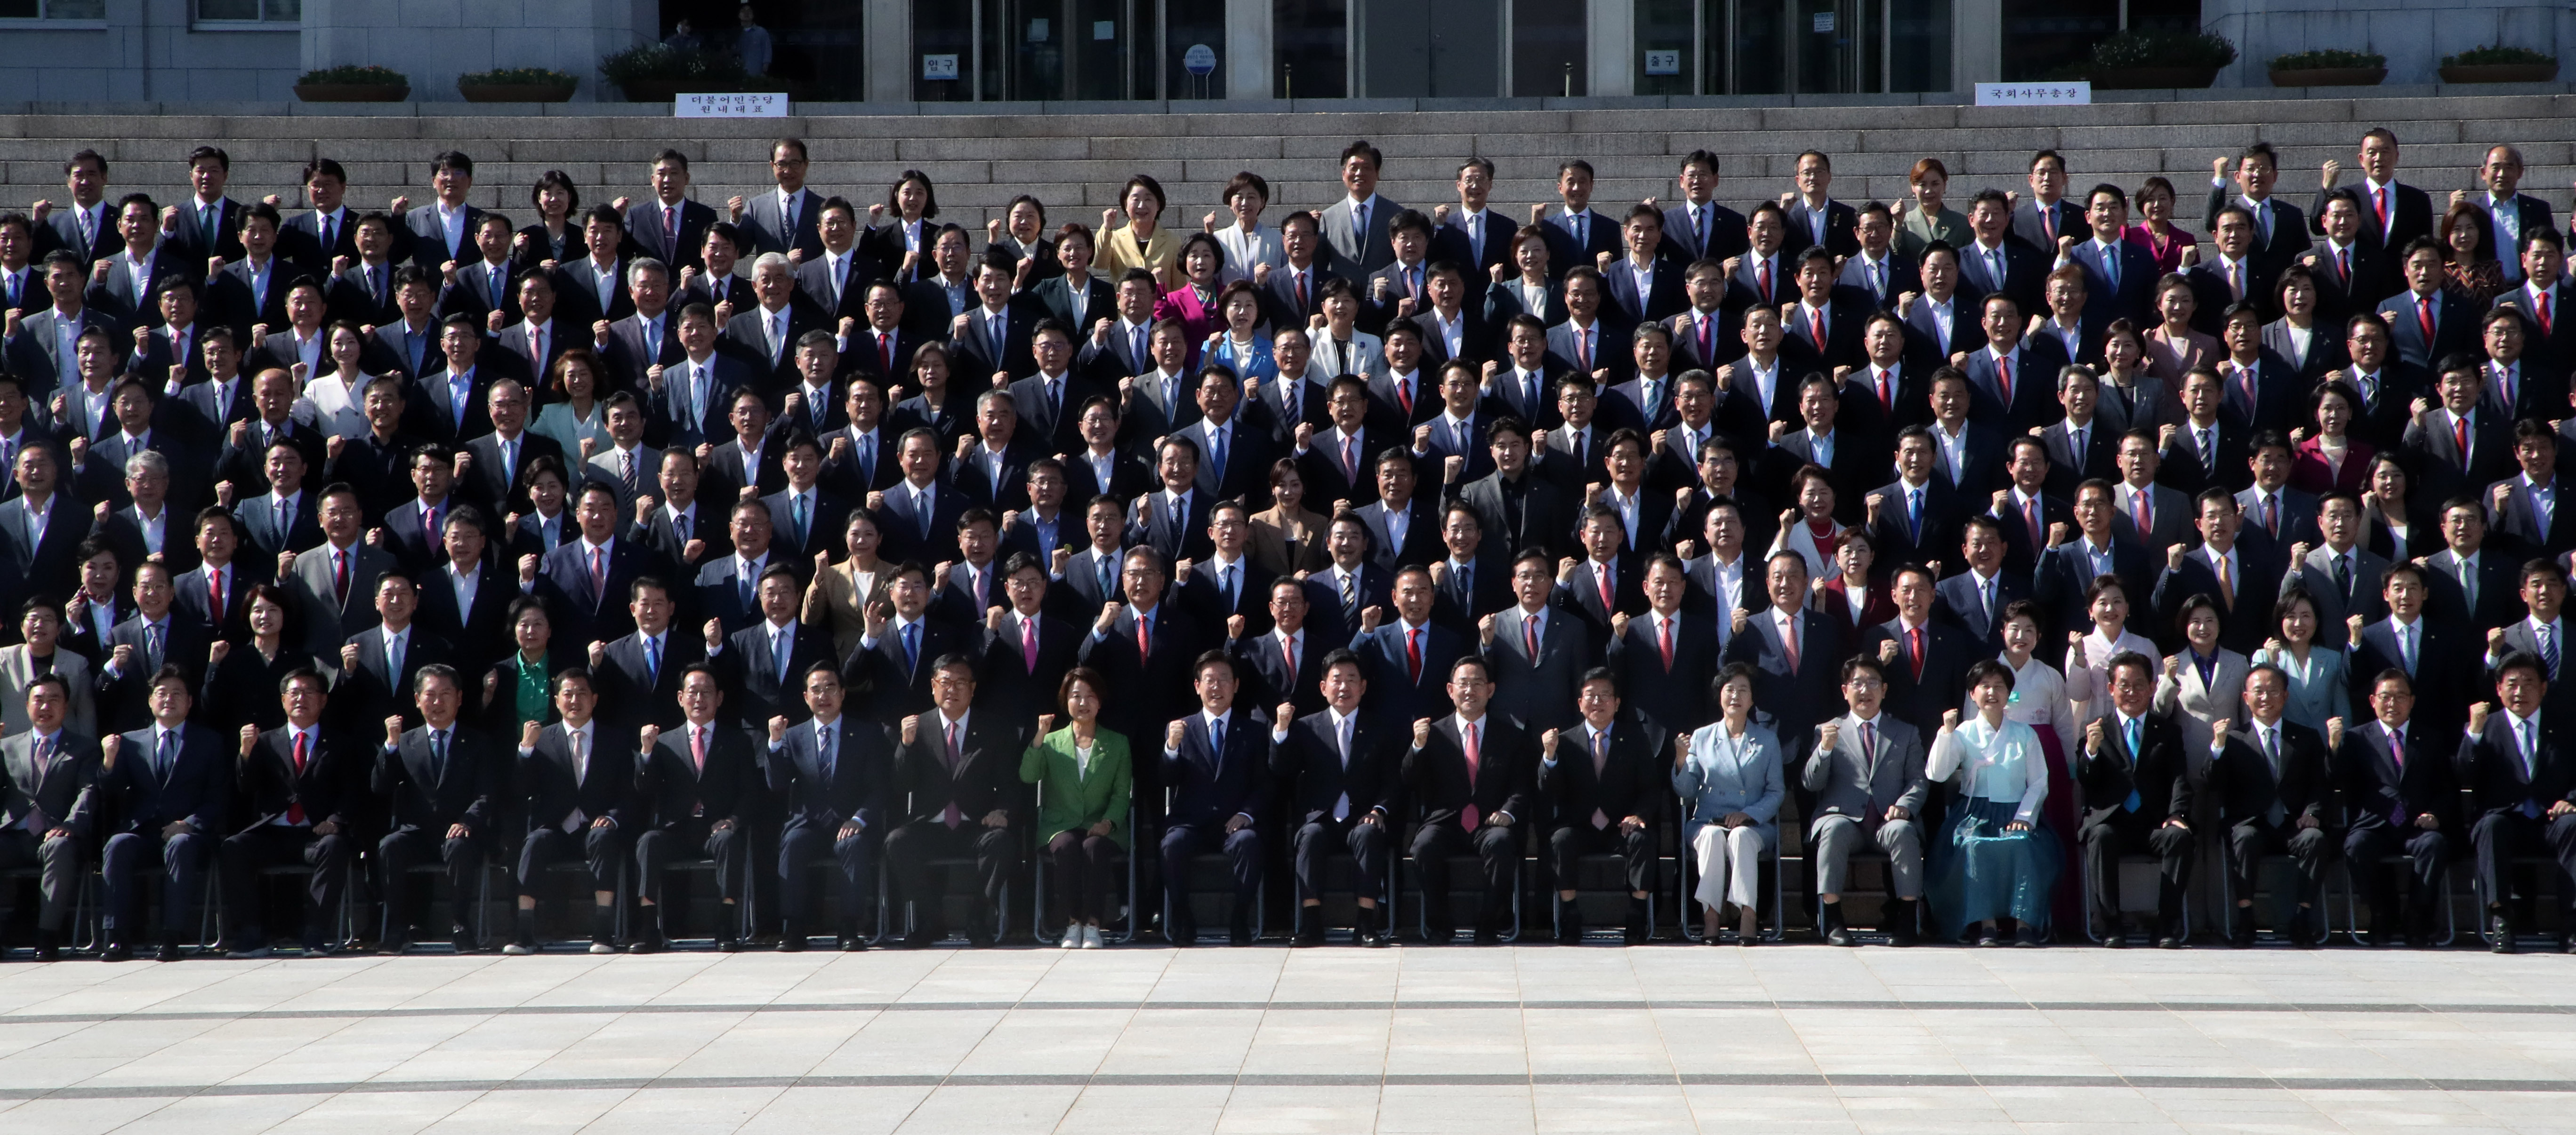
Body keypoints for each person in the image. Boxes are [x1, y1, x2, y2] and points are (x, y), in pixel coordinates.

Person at [882, 652, 1026, 948]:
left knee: (1001, 841)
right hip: (931, 825)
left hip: (975, 824)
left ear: (973, 688)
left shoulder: (995, 729)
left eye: (961, 683)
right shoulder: (917, 728)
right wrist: (905, 746)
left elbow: (1012, 783)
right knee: (897, 841)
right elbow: (901, 785)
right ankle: (930, 919)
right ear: (933, 686)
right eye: (945, 682)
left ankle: (977, 919)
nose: (952, 690)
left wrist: (1003, 811)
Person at [217, 666, 354, 957]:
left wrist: (335, 820)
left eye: (309, 692)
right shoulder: (265, 741)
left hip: (314, 835)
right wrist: (245, 753)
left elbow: (351, 792)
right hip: (272, 833)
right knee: (233, 848)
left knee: (336, 846)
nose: (301, 699)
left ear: (324, 700)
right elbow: (246, 787)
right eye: (294, 693)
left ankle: (315, 934)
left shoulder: (341, 743)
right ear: (282, 700)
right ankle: (251, 935)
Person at [96, 664, 227, 962]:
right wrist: (109, 761)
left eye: (177, 693)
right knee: (117, 845)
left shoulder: (210, 742)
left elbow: (218, 798)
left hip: (189, 837)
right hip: (143, 832)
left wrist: (189, 824)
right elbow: (110, 790)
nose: (169, 699)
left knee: (180, 846)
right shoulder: (130, 742)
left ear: (190, 702)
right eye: (162, 693)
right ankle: (116, 937)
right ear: (150, 701)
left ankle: (172, 936)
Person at [1927, 659, 2060, 946]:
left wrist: (2025, 817)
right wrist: (1946, 733)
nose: (1991, 692)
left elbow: (2038, 782)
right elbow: (1937, 774)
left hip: (2016, 812)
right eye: (1984, 686)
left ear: (2009, 693)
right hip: (1974, 814)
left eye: (1999, 686)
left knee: (2024, 845)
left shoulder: (2025, 734)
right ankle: (1985, 925)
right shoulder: (1963, 732)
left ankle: (2024, 925)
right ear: (1972, 694)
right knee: (1974, 846)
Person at [1401, 653, 1532, 944]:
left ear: (1491, 690)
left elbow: (1522, 786)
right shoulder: (1433, 733)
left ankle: (1488, 924)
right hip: (1445, 820)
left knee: (1502, 843)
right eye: (1463, 684)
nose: (1470, 691)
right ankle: (1440, 924)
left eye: (1477, 683)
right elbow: (1409, 779)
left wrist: (1508, 813)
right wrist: (1418, 747)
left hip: (1489, 821)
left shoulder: (1511, 736)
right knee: (1423, 846)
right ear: (1451, 690)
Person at [505, 666, 635, 956]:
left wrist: (612, 818)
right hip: (556, 827)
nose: (575, 700)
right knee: (534, 842)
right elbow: (519, 789)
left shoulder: (615, 740)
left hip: (595, 828)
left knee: (604, 839)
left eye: (582, 694)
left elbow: (628, 793)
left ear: (595, 699)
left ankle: (603, 929)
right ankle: (524, 932)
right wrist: (525, 750)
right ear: (556, 700)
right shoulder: (542, 739)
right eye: (568, 694)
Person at [372, 663, 499, 953]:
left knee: (459, 846)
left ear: (460, 698)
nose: (438, 702)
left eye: (446, 694)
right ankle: (397, 928)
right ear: (418, 700)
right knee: (389, 846)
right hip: (417, 833)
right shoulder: (405, 742)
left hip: (460, 833)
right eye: (430, 695)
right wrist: (390, 746)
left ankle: (461, 926)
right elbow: (380, 786)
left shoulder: (478, 742)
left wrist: (468, 821)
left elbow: (487, 794)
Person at [1802, 655, 1927, 947]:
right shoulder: (1828, 730)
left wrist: (1906, 805)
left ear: (1884, 690)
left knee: (1904, 832)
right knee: (1832, 831)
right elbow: (1812, 783)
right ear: (1845, 691)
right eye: (1857, 683)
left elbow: (1918, 780)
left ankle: (1908, 920)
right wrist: (1824, 750)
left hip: (1888, 820)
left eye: (1872, 683)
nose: (1865, 691)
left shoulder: (1906, 732)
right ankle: (1833, 920)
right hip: (1846, 820)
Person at [2456, 651, 2576, 952]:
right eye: (2512, 684)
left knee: (2574, 825)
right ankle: (2501, 921)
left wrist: (2571, 800)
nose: (2520, 692)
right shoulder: (2487, 727)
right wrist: (2474, 734)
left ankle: (2572, 925)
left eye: (2528, 683)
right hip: (2505, 819)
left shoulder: (2564, 726)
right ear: (2498, 689)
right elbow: (2464, 775)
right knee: (2492, 825)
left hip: (2550, 820)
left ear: (2544, 688)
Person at [632, 664, 755, 952]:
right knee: (648, 842)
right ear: (680, 698)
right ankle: (649, 928)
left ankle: (726, 926)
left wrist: (733, 820)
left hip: (716, 829)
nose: (699, 699)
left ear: (720, 698)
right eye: (693, 693)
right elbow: (644, 790)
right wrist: (647, 754)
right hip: (677, 830)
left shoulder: (738, 741)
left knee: (728, 841)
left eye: (707, 693)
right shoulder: (663, 742)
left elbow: (750, 793)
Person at [2208, 663, 2332, 947]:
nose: (2265, 698)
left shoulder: (2307, 737)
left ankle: (2302, 917)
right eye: (2258, 691)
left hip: (2293, 825)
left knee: (2316, 839)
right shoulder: (2234, 739)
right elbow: (2214, 784)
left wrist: (2312, 813)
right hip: (2252, 823)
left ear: (2285, 696)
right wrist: (2217, 747)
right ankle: (2245, 918)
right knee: (2245, 838)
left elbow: (2320, 783)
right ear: (2246, 697)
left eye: (2273, 691)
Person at [2077, 651, 2195, 947]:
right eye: (2124, 685)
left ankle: (2166, 924)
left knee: (2179, 838)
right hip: (2113, 823)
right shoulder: (2097, 730)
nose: (2132, 693)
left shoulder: (2167, 732)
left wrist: (2177, 814)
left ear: (2153, 687)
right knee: (2100, 836)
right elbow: (2087, 781)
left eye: (2139, 685)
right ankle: (2112, 924)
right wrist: (2091, 751)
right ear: (2111, 689)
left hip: (2153, 823)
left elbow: (2180, 778)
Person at [769, 661, 886, 952]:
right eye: (816, 690)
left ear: (843, 693)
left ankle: (849, 926)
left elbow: (880, 788)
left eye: (830, 688)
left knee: (855, 846)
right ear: (806, 697)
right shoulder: (793, 736)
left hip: (850, 823)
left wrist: (860, 819)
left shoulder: (866, 734)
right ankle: (794, 927)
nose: (824, 696)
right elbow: (777, 784)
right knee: (792, 843)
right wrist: (774, 743)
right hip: (808, 823)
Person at [1538, 668, 1661, 944]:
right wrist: (1549, 756)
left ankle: (1637, 914)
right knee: (1560, 839)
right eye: (1591, 696)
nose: (1598, 702)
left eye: (1605, 696)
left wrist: (1639, 815)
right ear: (1580, 703)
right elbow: (1551, 791)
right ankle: (1570, 914)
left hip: (1621, 826)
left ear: (1617, 703)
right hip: (1581, 826)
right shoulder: (1566, 741)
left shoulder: (1635, 739)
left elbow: (1651, 789)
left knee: (1644, 838)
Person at [2335, 669, 2455, 947]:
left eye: (2400, 697)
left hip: (2417, 825)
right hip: (2375, 825)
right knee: (2356, 845)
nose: (2392, 704)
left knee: (2435, 844)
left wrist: (2436, 815)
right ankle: (2381, 914)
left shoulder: (2431, 739)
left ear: (2412, 701)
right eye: (2385, 697)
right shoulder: (2356, 739)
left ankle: (2417, 917)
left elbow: (2447, 789)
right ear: (2372, 701)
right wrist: (2334, 750)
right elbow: (2340, 780)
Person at [1159, 651, 1266, 945]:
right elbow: (1167, 779)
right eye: (1209, 680)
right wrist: (1171, 747)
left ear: (1236, 686)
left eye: (1224, 680)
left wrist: (1247, 813)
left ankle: (1240, 918)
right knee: (1171, 844)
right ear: (1197, 686)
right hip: (1191, 821)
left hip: (1233, 822)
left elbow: (1263, 784)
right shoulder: (1181, 728)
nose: (1216, 687)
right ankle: (1182, 918)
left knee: (1249, 842)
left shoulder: (1254, 731)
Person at [1023, 666, 1130, 950]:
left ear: (1100, 701)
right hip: (1060, 824)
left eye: (1090, 696)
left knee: (1094, 846)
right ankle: (1073, 923)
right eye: (1076, 696)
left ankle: (1093, 924)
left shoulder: (1118, 743)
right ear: (1065, 700)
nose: (1083, 703)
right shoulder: (1050, 741)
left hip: (1100, 824)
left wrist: (1109, 822)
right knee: (1067, 846)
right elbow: (1028, 776)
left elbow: (1122, 794)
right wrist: (1039, 736)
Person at [1677, 662, 1781, 944]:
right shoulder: (1702, 737)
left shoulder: (1767, 741)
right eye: (1730, 689)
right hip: (1707, 821)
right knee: (1711, 836)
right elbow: (1686, 792)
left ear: (1752, 699)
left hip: (1753, 824)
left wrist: (1749, 814)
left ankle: (1748, 915)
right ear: (1720, 696)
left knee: (1741, 837)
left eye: (1743, 690)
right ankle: (1711, 916)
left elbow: (1776, 792)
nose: (1736, 696)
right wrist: (1681, 761)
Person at [0, 674, 100, 960]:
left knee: (61, 848)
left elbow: (88, 791)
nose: (46, 706)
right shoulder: (7, 747)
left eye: (54, 699)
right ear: (28, 706)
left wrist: (71, 824)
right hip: (13, 836)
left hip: (56, 835)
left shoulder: (83, 748)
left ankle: (47, 936)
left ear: (66, 707)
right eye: (39, 700)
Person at [2252, 589, 2351, 731]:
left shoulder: (2333, 659)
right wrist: (2272, 665)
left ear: (2316, 621)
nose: (2298, 623)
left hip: (2323, 744)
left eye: (2306, 616)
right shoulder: (2264, 657)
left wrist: (2339, 747)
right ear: (2281, 621)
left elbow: (2342, 712)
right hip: (2285, 744)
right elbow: (2260, 706)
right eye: (2291, 616)